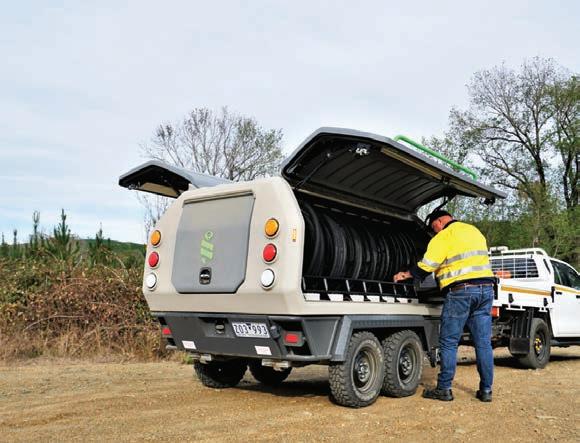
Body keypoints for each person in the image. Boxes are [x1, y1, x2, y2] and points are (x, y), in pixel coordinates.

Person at [393, 210, 495, 402]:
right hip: (486, 290)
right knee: (483, 343)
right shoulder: (474, 231)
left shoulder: (445, 235)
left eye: (433, 227)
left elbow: (427, 265)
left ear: (439, 221)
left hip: (461, 292)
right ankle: (486, 391)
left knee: (449, 342)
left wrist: (406, 274)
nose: (434, 232)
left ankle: (444, 389)